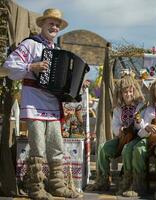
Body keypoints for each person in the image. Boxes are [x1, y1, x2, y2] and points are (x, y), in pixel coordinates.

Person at [3, 8, 80, 199]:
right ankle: (36, 187)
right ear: (42, 25)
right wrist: (31, 66)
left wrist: (74, 85)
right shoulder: (30, 45)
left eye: (57, 24)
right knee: (38, 146)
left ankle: (57, 185)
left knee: (56, 146)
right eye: (51, 23)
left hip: (52, 103)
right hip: (34, 101)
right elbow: (7, 67)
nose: (54, 27)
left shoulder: (58, 51)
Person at [86, 75, 145, 194]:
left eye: (130, 91)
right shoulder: (118, 109)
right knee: (103, 148)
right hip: (122, 139)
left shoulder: (141, 106)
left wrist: (138, 122)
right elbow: (115, 128)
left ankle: (128, 181)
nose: (128, 94)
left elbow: (143, 128)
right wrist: (120, 130)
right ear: (120, 93)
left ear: (134, 90)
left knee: (128, 150)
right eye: (125, 92)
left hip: (137, 138)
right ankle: (103, 179)